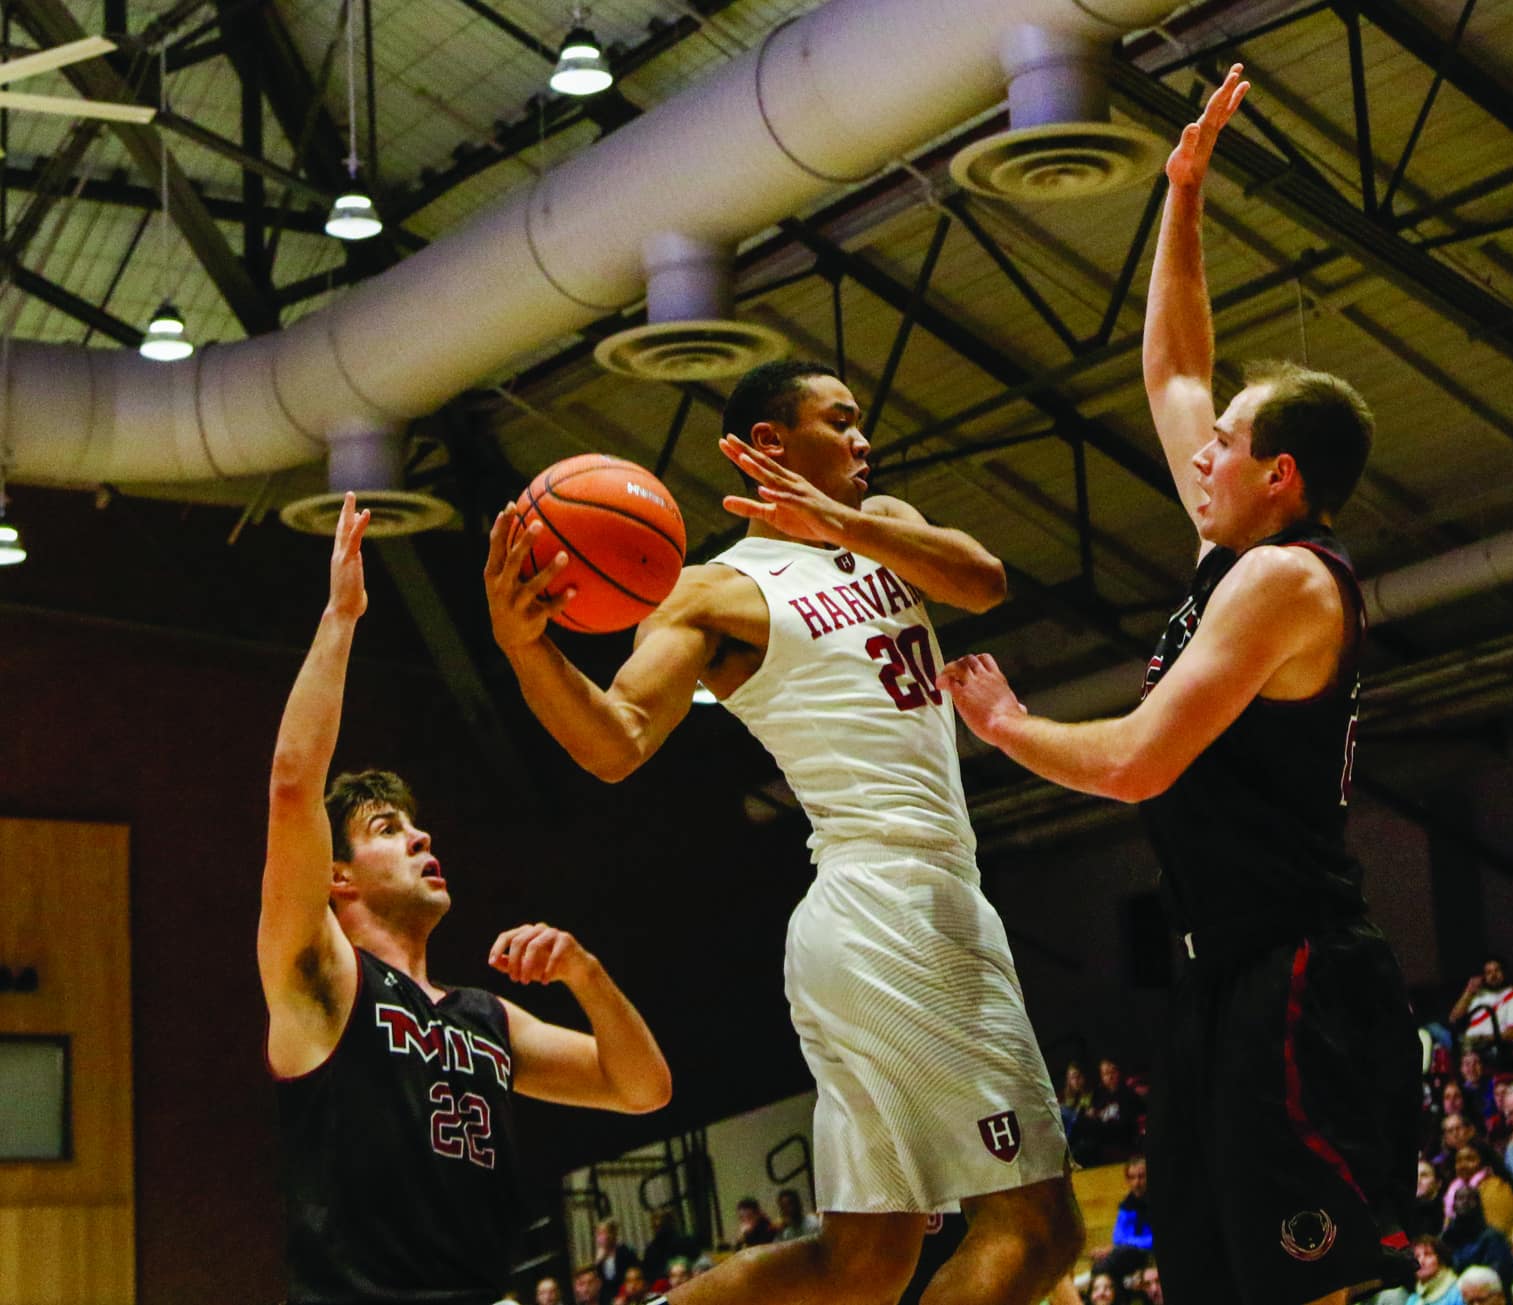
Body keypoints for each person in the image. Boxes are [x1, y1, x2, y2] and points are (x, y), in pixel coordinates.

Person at [938, 64, 1417, 1305]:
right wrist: (1184, 195)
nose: (1201, 452)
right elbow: (1172, 371)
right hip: (1223, 976)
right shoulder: (1233, 553)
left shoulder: (1288, 581)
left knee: (1304, 1289)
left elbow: (1141, 759)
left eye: (1229, 444)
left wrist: (1008, 724)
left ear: (1282, 476)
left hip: (1297, 971)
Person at [483, 357, 1089, 1305]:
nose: (863, 439)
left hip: (871, 924)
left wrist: (843, 523)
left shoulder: (886, 527)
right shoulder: (713, 591)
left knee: (863, 1266)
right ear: (770, 442)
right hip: (892, 904)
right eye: (839, 421)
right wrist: (526, 649)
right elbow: (616, 740)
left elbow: (984, 581)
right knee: (1037, 1229)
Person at [263, 496, 671, 1305]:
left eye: (415, 824)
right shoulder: (324, 983)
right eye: (387, 828)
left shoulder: (486, 1017)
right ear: (338, 876)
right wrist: (342, 616)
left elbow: (643, 1087)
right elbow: (292, 785)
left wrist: (586, 974)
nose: (420, 836)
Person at [1454, 960, 1513, 1046]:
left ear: (1504, 973)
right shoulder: (1477, 995)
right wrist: (1468, 992)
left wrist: (1483, 1039)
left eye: (1497, 970)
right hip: (1466, 1043)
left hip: (1493, 1046)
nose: (1493, 975)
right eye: (1489, 972)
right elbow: (1454, 1019)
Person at [1411, 1238, 1466, 1305]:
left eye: (1428, 1254)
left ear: (1441, 1260)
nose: (1421, 1261)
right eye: (1416, 1257)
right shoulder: (1412, 1300)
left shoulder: (1460, 1291)